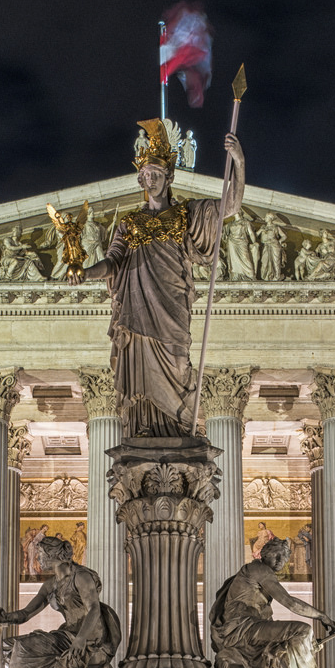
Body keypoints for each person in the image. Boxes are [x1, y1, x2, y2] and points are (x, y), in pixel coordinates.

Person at [71, 119, 245, 436]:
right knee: (140, 383)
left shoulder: (187, 214)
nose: (150, 180)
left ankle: (178, 432)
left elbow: (231, 205)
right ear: (140, 179)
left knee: (180, 364)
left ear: (169, 177)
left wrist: (239, 162)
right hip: (137, 314)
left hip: (172, 308)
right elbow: (112, 263)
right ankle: (145, 433)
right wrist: (84, 272)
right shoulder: (129, 224)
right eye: (146, 175)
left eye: (156, 174)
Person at [210, 537, 335, 668]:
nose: (281, 560)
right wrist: (321, 616)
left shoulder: (261, 579)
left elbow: (271, 627)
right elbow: (289, 602)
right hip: (241, 629)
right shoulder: (259, 569)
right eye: (277, 554)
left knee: (291, 642)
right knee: (302, 631)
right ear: (265, 553)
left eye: (285, 557)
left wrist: (306, 647)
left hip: (249, 628)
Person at [0, 537, 119, 668]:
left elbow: (94, 609)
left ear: (53, 555)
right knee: (9, 646)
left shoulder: (80, 576)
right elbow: (27, 613)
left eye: (41, 554)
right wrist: (5, 617)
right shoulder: (51, 585)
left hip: (88, 637)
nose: (37, 559)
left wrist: (80, 639)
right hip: (67, 634)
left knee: (25, 647)